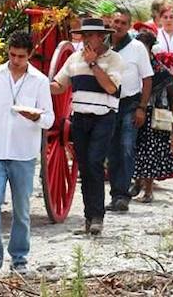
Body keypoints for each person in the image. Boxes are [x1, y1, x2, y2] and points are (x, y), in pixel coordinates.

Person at [0, 31, 54, 274]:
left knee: (21, 209)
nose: (16, 60)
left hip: (24, 155)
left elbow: (49, 119)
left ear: (29, 55)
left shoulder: (39, 80)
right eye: (12, 55)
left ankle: (19, 259)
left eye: (21, 56)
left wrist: (35, 116)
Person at [50, 18, 123, 236]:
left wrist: (93, 64)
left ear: (102, 37)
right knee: (83, 166)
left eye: (92, 35)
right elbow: (59, 85)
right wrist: (38, 85)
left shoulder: (115, 59)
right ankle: (89, 218)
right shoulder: (73, 59)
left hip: (103, 118)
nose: (87, 39)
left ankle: (97, 216)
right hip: (80, 119)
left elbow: (111, 87)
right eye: (85, 35)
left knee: (94, 163)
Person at [106, 9, 153, 213]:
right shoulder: (102, 46)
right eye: (116, 21)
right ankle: (116, 193)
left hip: (129, 103)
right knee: (111, 150)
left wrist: (142, 107)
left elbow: (147, 79)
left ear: (129, 25)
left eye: (123, 23)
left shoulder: (137, 48)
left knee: (126, 147)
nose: (118, 25)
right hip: (107, 103)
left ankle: (122, 195)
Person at [131, 31, 173, 203]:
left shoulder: (162, 72)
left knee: (150, 152)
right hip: (137, 111)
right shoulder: (133, 68)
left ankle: (149, 190)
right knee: (136, 149)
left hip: (156, 116)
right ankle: (137, 183)